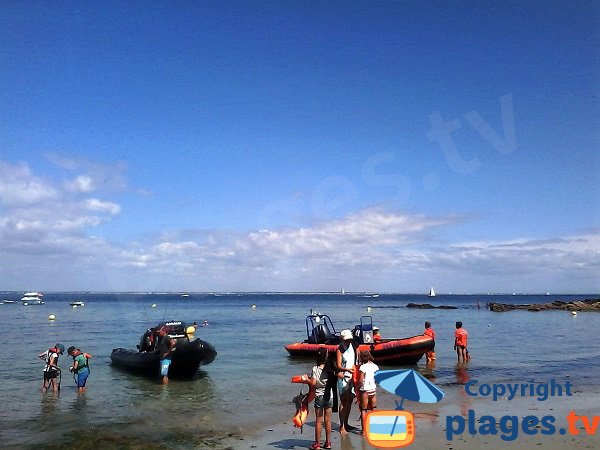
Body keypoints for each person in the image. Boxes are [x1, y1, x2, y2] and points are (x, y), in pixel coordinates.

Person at [306, 348, 334, 450]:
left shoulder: (315, 369)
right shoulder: (330, 368)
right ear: (326, 356)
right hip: (329, 395)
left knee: (318, 421)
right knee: (328, 420)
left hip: (319, 395)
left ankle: (317, 444)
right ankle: (328, 443)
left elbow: (313, 384)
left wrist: (307, 380)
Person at [336, 329, 356, 434]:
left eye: (349, 340)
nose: (348, 342)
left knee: (350, 401)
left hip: (352, 377)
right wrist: (347, 370)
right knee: (344, 401)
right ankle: (341, 425)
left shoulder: (353, 346)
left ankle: (346, 423)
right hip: (343, 377)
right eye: (346, 340)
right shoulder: (340, 349)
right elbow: (339, 365)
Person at [358, 350, 379, 435]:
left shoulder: (363, 367)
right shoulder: (375, 366)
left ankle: (364, 431)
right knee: (374, 409)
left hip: (365, 390)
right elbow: (377, 379)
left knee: (363, 410)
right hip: (373, 390)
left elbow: (360, 380)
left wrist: (357, 388)